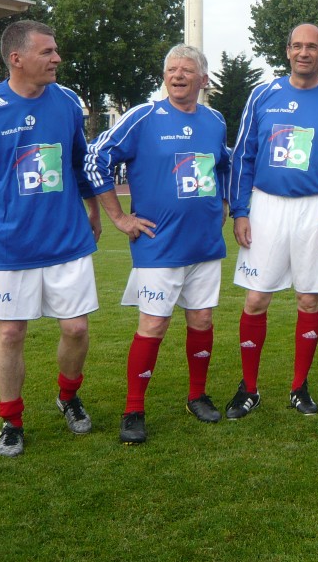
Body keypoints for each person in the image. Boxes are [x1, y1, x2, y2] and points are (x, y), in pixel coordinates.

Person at [0, 20, 101, 457]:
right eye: (47, 52)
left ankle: (68, 396)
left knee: (77, 328)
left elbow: (81, 165)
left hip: (66, 241)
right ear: (17, 59)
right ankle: (10, 420)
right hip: (7, 248)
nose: (56, 59)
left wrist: (93, 208)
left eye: (55, 50)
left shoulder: (67, 102)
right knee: (10, 335)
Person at [85, 45, 231, 444]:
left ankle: (197, 396)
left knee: (201, 321)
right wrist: (119, 217)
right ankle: (134, 409)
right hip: (158, 243)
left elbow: (226, 164)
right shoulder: (143, 117)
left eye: (187, 70)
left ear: (203, 80)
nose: (178, 76)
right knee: (153, 323)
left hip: (204, 243)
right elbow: (94, 157)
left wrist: (224, 202)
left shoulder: (215, 121)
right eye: (171, 69)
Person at [225, 24, 318, 417]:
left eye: (312, 47)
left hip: (316, 208)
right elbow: (243, 156)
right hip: (267, 206)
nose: (304, 52)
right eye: (297, 46)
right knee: (254, 300)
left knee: (308, 297)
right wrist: (241, 210)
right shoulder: (263, 95)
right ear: (286, 51)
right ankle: (249, 388)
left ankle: (299, 387)